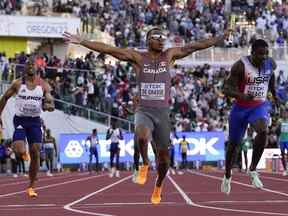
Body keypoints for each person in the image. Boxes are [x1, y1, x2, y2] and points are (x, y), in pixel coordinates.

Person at [63, 27, 230, 204]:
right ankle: (144, 164)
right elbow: (109, 49)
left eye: (163, 37)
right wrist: (82, 41)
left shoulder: (169, 55)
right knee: (142, 138)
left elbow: (195, 46)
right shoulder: (138, 58)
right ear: (148, 40)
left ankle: (158, 185)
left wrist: (220, 37)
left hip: (163, 112)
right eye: (157, 37)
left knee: (164, 159)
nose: (162, 40)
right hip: (144, 110)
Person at [221, 39, 278, 194]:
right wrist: (241, 95)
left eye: (266, 53)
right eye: (260, 54)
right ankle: (227, 176)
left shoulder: (270, 63)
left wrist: (274, 93)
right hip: (240, 109)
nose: (264, 57)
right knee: (233, 145)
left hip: (259, 106)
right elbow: (225, 88)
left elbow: (270, 76)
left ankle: (252, 170)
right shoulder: (240, 66)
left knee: (263, 130)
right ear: (252, 53)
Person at [0, 61, 54, 197]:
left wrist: (49, 104)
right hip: (20, 120)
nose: (30, 66)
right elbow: (5, 97)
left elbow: (49, 99)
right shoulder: (18, 84)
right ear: (24, 68)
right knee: (19, 148)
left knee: (35, 150)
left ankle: (31, 186)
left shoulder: (43, 84)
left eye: (33, 64)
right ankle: (23, 153)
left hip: (35, 121)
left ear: (37, 67)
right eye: (28, 64)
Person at [276, 108, 288, 176]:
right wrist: (278, 126)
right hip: (281, 140)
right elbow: (276, 131)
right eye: (283, 113)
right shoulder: (279, 121)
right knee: (282, 154)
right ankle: (285, 169)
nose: (284, 114)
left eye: (286, 113)